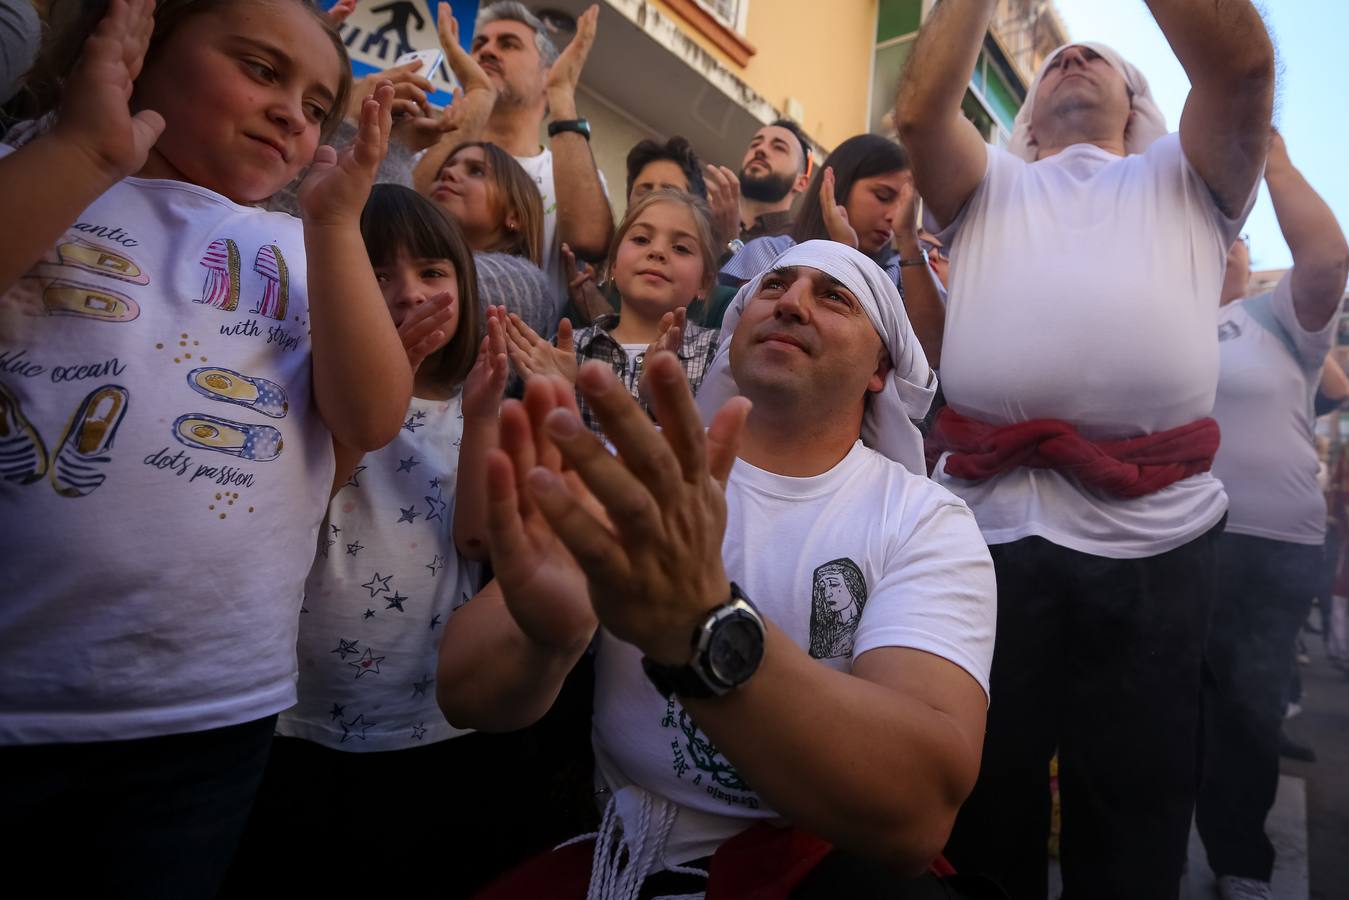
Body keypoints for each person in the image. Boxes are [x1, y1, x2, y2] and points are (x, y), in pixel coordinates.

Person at [0, 0, 412, 894]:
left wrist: (338, 228)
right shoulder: (45, 165)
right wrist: (82, 152)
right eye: (261, 70)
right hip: (19, 689)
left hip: (205, 714)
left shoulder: (300, 246)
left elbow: (371, 415)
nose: (291, 115)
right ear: (142, 47)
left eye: (316, 105)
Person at [439, 240, 998, 898]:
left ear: (881, 367)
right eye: (772, 287)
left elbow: (915, 812)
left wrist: (696, 625)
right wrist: (548, 637)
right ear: (732, 340)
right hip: (619, 858)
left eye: (833, 296)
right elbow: (466, 698)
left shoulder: (922, 520)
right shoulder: (635, 474)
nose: (790, 303)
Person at [896, 0, 1274, 893]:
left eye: (1095, 57)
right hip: (986, 534)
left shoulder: (1187, 176)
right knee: (985, 793)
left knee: (1135, 804)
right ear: (1024, 119)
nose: (1070, 56)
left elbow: (1241, 68)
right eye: (1057, 59)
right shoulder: (988, 180)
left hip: (1158, 537)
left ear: (1137, 102)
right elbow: (917, 114)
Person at [1199, 132, 1349, 900]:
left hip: (1269, 545)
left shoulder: (1274, 315)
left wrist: (1272, 157)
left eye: (1235, 241)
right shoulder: (1160, 318)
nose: (1221, 248)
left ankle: (1239, 863)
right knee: (1167, 706)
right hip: (1175, 542)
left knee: (1247, 708)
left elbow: (1324, 259)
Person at [412, 1, 612, 316]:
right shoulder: (429, 156)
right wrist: (478, 96)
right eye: (480, 44)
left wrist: (561, 95)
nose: (487, 52)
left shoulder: (567, 171)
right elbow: (399, 216)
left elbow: (590, 243)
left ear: (546, 73)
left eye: (508, 44)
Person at [496, 189, 720, 437]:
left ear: (704, 283)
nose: (657, 252)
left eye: (680, 248)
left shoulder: (717, 354)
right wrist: (561, 398)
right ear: (613, 265)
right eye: (641, 239)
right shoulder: (567, 350)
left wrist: (666, 402)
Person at [717, 135, 946, 363]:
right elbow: (748, 336)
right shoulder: (772, 250)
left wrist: (908, 240)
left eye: (906, 204)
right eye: (882, 196)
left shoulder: (904, 270)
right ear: (838, 187)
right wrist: (842, 253)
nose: (894, 216)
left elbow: (933, 354)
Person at [429, 140, 557, 336]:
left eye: (476, 171)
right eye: (440, 173)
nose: (448, 173)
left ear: (514, 215)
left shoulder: (521, 281)